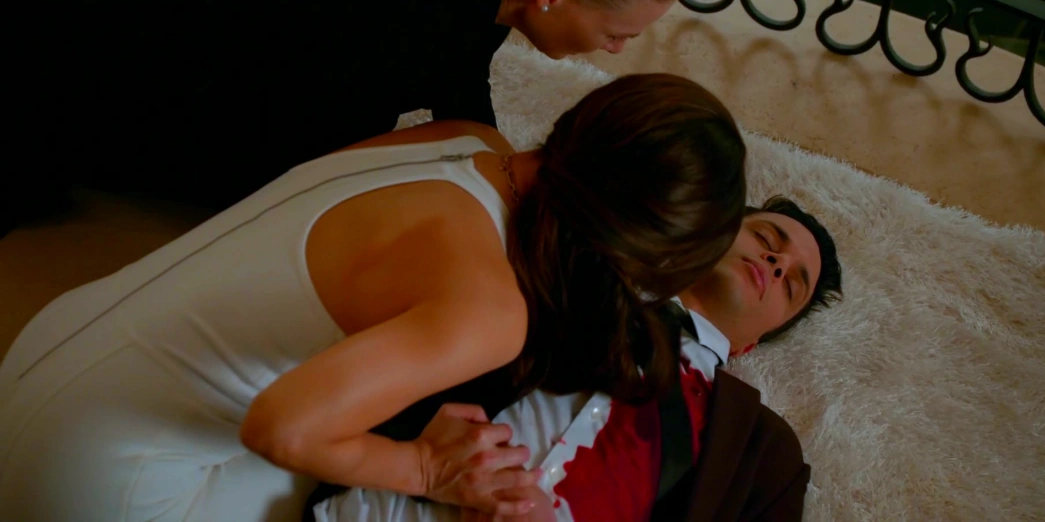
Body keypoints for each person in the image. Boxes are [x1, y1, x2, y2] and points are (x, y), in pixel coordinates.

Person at [0, 73, 747, 522]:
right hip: (102, 482)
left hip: (53, 345)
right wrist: (425, 469)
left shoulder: (467, 139)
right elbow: (281, 427)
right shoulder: (492, 313)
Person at [0, 0, 688, 234]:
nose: (617, 51)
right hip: (82, 9)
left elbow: (457, 66)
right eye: (615, 34)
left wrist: (503, 161)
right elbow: (314, 156)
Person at [311, 196, 844, 521]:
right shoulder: (568, 263)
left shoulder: (767, 455)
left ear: (753, 345)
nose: (776, 262)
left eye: (791, 284)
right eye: (767, 238)